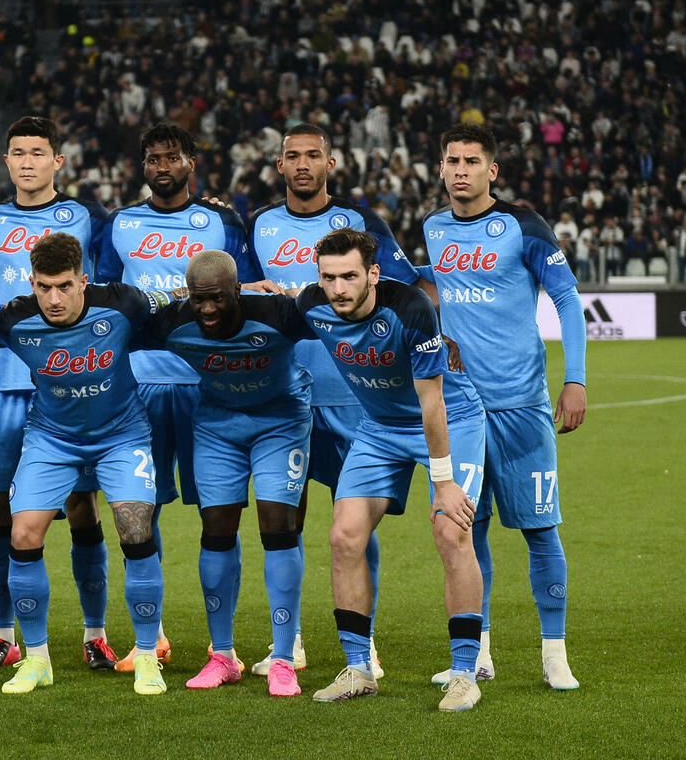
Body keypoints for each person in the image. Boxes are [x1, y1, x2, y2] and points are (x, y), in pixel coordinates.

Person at [0, 116, 118, 671]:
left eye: (38, 153)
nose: (27, 162)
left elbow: (120, 272)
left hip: (73, 383)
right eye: (17, 152)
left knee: (82, 507)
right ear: (7, 161)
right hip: (8, 386)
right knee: (0, 510)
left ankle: (95, 632)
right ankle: (2, 633)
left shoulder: (88, 218)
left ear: (57, 161)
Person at [246, 122, 423, 677]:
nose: (303, 164)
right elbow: (242, 293)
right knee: (285, 519)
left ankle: (364, 640)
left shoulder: (362, 223)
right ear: (279, 164)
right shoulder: (259, 224)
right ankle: (290, 640)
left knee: (356, 522)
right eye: (292, 156)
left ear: (331, 163)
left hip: (354, 396)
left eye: (313, 155)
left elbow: (407, 288)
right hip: (285, 396)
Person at [419, 123, 586, 690]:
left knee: (541, 529)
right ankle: (480, 652)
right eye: (452, 160)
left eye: (471, 161)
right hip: (461, 409)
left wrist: (575, 379)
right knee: (468, 529)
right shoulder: (433, 228)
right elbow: (432, 282)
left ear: (492, 170)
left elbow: (566, 298)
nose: (460, 170)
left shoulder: (523, 225)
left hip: (521, 406)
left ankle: (554, 653)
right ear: (441, 169)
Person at [296, 229, 488, 712]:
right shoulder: (311, 305)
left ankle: (465, 673)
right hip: (379, 428)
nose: (338, 288)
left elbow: (432, 404)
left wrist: (444, 483)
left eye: (349, 276)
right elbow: (270, 309)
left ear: (373, 274)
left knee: (451, 530)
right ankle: (359, 669)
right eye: (328, 278)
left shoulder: (410, 309)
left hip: (451, 421)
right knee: (344, 536)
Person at [96, 122, 263, 673]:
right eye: (153, 158)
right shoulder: (120, 223)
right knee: (139, 512)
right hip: (138, 386)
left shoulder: (223, 222)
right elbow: (104, 296)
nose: (162, 166)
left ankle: (223, 646)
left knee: (220, 516)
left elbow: (251, 289)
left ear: (191, 162)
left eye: (172, 157)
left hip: (208, 386)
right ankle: (154, 637)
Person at [0, 232, 172, 696]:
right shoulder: (15, 319)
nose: (54, 299)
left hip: (122, 434)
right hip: (52, 438)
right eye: (44, 287)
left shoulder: (123, 304)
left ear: (83, 281)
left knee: (135, 529)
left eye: (64, 286)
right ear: (32, 283)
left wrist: (246, 288)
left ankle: (147, 654)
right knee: (23, 534)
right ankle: (37, 660)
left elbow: (181, 298)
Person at [140, 250, 313, 697]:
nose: (208, 309)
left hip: (280, 421)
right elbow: (116, 327)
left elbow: (342, 318)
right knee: (216, 528)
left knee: (277, 524)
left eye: (217, 298)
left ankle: (283, 658)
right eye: (199, 300)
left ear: (238, 289)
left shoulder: (277, 314)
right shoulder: (174, 322)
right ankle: (223, 656)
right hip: (218, 426)